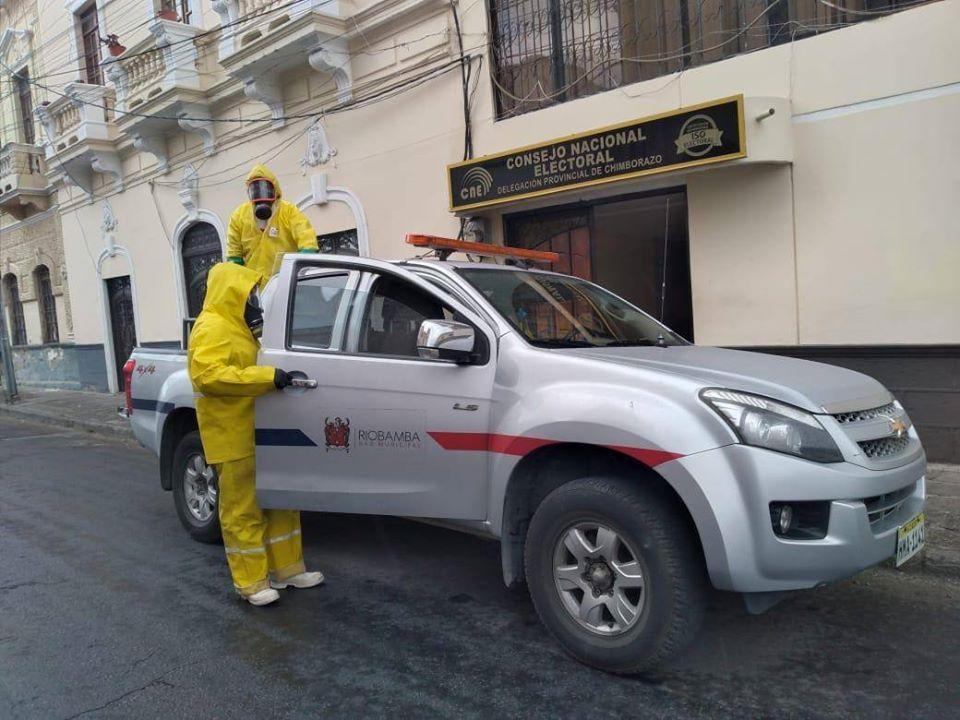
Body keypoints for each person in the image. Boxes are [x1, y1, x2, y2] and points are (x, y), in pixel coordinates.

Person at [188, 262, 323, 606]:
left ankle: (288, 569)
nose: (255, 302)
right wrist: (266, 377)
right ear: (232, 292)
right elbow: (209, 376)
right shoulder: (211, 327)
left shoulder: (241, 328)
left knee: (280, 501)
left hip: (261, 429)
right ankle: (250, 582)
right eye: (250, 294)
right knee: (242, 509)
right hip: (231, 434)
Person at [226, 163, 319, 286]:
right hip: (253, 289)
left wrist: (299, 270)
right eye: (255, 189)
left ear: (275, 190)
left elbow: (307, 239)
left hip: (284, 285)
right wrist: (241, 285)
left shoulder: (288, 211)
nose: (261, 194)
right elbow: (234, 256)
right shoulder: (239, 216)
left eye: (266, 188)